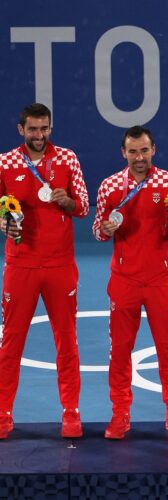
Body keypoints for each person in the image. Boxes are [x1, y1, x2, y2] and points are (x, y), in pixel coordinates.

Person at [92, 125, 168, 439]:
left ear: (153, 150)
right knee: (120, 351)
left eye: (144, 150)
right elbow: (97, 230)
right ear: (123, 153)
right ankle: (120, 414)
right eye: (133, 151)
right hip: (123, 281)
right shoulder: (110, 186)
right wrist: (105, 230)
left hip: (160, 281)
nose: (139, 157)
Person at [0, 103, 89, 440]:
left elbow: (83, 206)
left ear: (50, 128)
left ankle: (71, 413)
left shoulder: (68, 158)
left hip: (60, 266)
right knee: (11, 343)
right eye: (33, 129)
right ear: (21, 129)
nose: (39, 135)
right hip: (20, 265)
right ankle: (3, 413)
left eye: (44, 128)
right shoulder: (5, 163)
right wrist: (2, 223)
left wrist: (68, 202)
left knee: (67, 342)